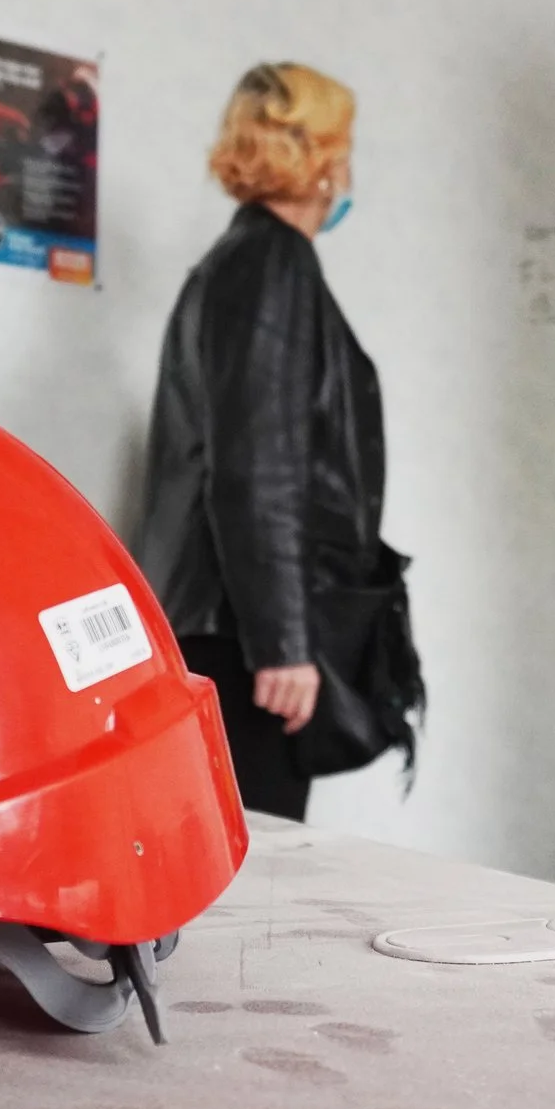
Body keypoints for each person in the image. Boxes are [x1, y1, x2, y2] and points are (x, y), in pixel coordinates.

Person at [133, 62, 396, 820]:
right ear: (324, 158)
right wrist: (284, 642)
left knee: (228, 850)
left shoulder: (238, 263)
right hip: (248, 634)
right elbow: (259, 468)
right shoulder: (271, 266)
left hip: (226, 619)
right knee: (258, 865)